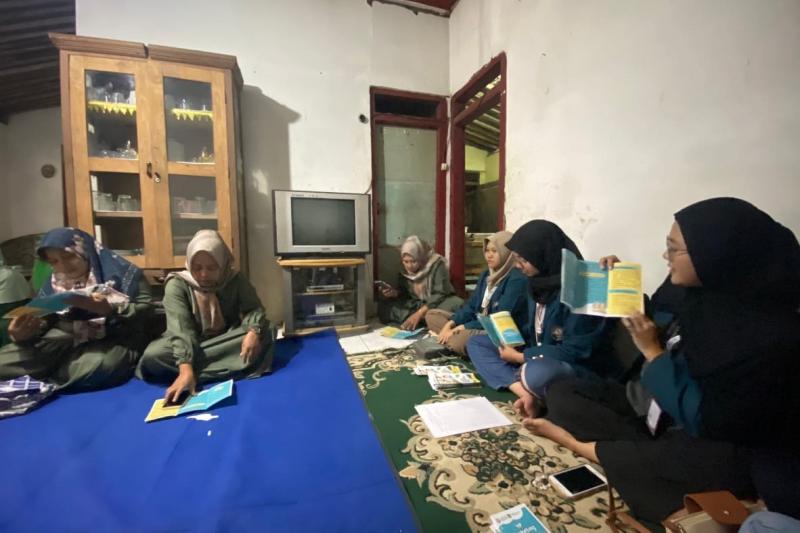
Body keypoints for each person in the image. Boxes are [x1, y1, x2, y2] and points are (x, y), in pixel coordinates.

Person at [524, 198, 800, 523]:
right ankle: (634, 453)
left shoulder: (767, 333)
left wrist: (653, 353)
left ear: (715, 255)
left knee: (695, 464)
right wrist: (617, 284)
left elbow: (708, 417)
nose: (664, 257)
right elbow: (649, 319)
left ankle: (583, 445)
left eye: (674, 249)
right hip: (654, 407)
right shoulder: (684, 291)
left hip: (706, 434)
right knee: (563, 392)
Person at [466, 220, 618, 417]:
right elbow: (535, 331)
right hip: (538, 353)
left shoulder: (582, 289)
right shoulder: (536, 284)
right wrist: (509, 337)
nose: (518, 266)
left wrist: (521, 357)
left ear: (544, 255)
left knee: (537, 373)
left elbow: (575, 351)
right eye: (516, 259)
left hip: (572, 366)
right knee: (477, 343)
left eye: (523, 260)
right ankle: (524, 392)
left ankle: (528, 383)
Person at [0, 228, 153, 391]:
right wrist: (24, 334)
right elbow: (45, 320)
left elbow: (148, 312)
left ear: (85, 251)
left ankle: (49, 373)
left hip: (111, 337)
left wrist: (110, 310)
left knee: (98, 367)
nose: (63, 266)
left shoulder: (125, 273)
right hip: (62, 340)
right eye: (54, 261)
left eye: (69, 256)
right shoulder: (54, 281)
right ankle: (53, 371)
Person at [137, 230, 273, 404]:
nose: (203, 275)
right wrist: (185, 367)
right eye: (197, 268)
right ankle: (224, 368)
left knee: (266, 332)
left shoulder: (234, 279)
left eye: (211, 268)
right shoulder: (177, 284)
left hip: (225, 339)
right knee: (153, 356)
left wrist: (253, 332)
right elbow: (181, 330)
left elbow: (254, 310)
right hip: (189, 343)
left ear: (223, 264)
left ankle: (190, 374)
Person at [424, 231, 527, 356]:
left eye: (494, 251)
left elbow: (499, 318)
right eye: (487, 250)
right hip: (477, 322)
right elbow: (471, 306)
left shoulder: (516, 279)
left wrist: (461, 328)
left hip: (496, 330)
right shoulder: (487, 275)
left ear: (506, 252)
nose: (489, 255)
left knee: (460, 339)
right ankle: (449, 340)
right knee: (432, 315)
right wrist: (450, 324)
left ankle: (448, 341)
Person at [377, 235, 463, 330]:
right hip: (417, 304)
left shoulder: (436, 264)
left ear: (421, 257)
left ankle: (421, 319)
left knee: (457, 304)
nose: (409, 266)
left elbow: (440, 293)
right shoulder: (404, 269)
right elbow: (405, 293)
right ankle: (424, 320)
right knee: (385, 307)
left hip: (437, 303)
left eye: (413, 261)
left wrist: (419, 313)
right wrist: (395, 293)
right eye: (406, 261)